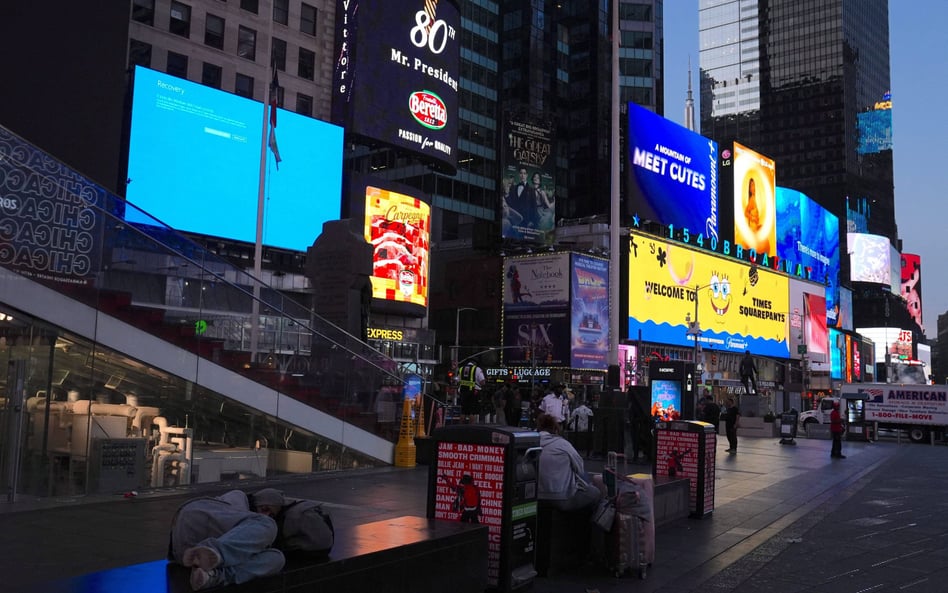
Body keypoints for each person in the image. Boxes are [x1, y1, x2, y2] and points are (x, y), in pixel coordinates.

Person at [168, 488, 286, 590]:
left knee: (277, 558)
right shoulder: (238, 497)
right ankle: (214, 552)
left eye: (271, 515)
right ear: (255, 502)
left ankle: (212, 576)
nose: (266, 515)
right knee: (268, 524)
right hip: (196, 519)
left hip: (185, 553)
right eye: (264, 509)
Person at [536, 413, 601, 512]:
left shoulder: (531, 443)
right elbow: (580, 468)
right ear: (555, 429)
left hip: (537, 496)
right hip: (561, 497)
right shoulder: (562, 444)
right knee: (595, 493)